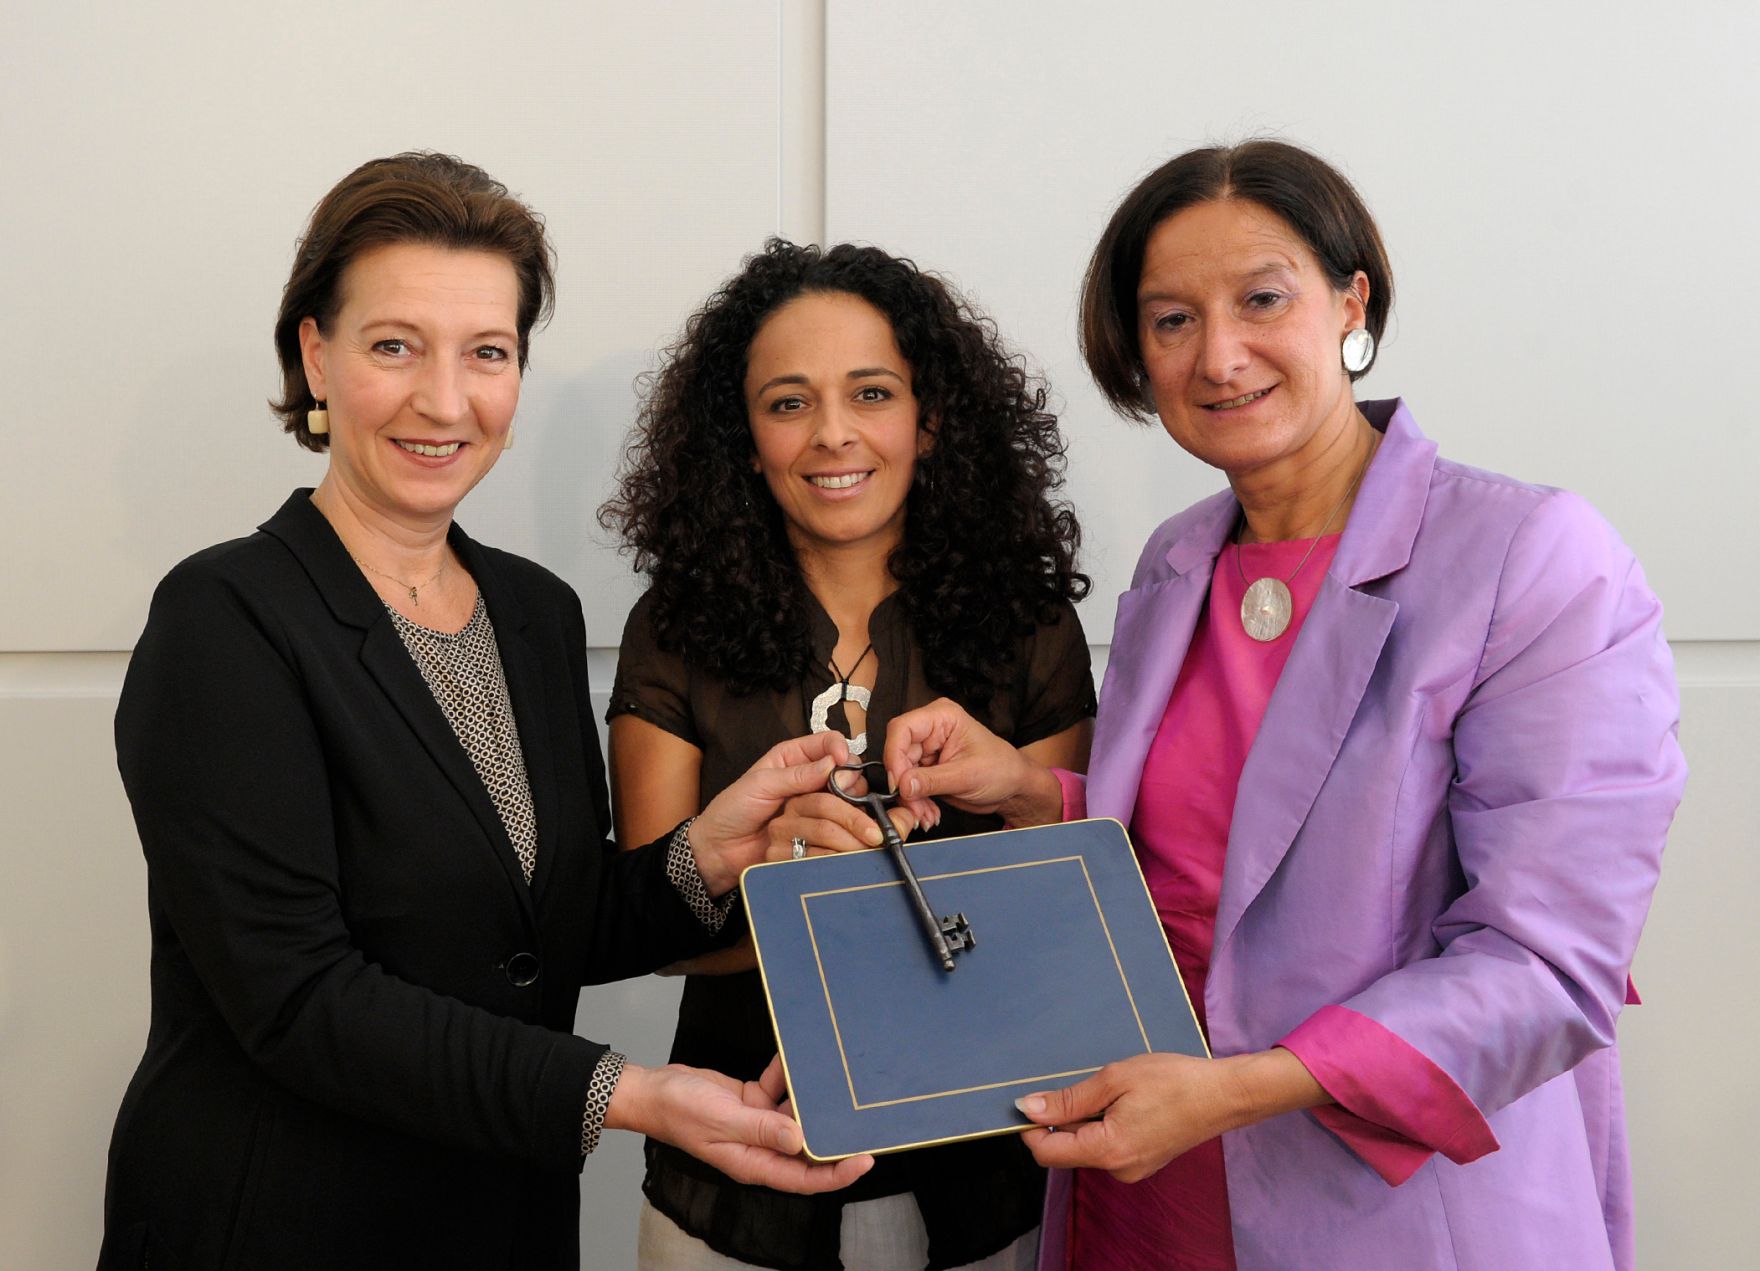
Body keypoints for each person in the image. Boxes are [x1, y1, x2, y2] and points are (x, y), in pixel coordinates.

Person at [881, 140, 1685, 1271]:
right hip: (1137, 1175)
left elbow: (1546, 963)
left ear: (1350, 301)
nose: (1218, 355)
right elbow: (1209, 850)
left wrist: (1231, 1091)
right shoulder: (1177, 562)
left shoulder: (1528, 555)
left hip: (1378, 1198)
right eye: (1169, 320)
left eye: (1261, 298)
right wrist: (1029, 786)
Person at [98, 153, 872, 1271]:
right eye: (393, 345)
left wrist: (701, 856)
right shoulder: (226, 618)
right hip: (280, 1216)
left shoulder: (530, 611)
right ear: (315, 352)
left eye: (488, 353)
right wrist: (631, 1092)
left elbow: (526, 927)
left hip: (493, 1217)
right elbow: (298, 995)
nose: (445, 400)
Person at [599, 239, 1097, 1270]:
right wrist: (782, 882)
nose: (831, 433)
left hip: (994, 1169)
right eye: (787, 402)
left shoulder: (1026, 621)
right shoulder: (675, 628)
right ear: (740, 437)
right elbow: (652, 922)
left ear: (931, 415)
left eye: (870, 391)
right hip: (733, 1170)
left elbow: (1072, 908)